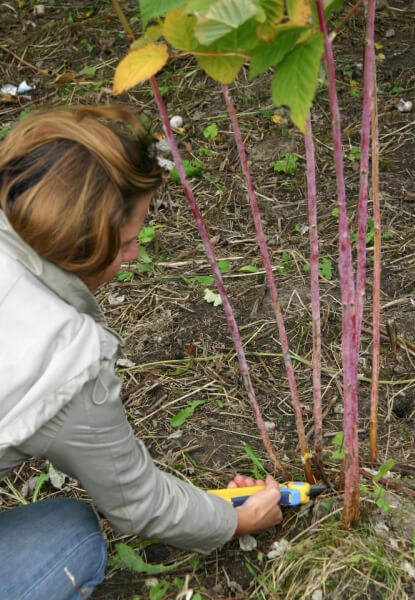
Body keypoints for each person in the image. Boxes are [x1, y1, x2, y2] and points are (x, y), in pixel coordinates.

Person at [0, 106, 282, 600]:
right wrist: (235, 520)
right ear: (85, 246)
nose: (134, 257)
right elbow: (138, 502)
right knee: (72, 536)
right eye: (128, 242)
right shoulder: (65, 362)